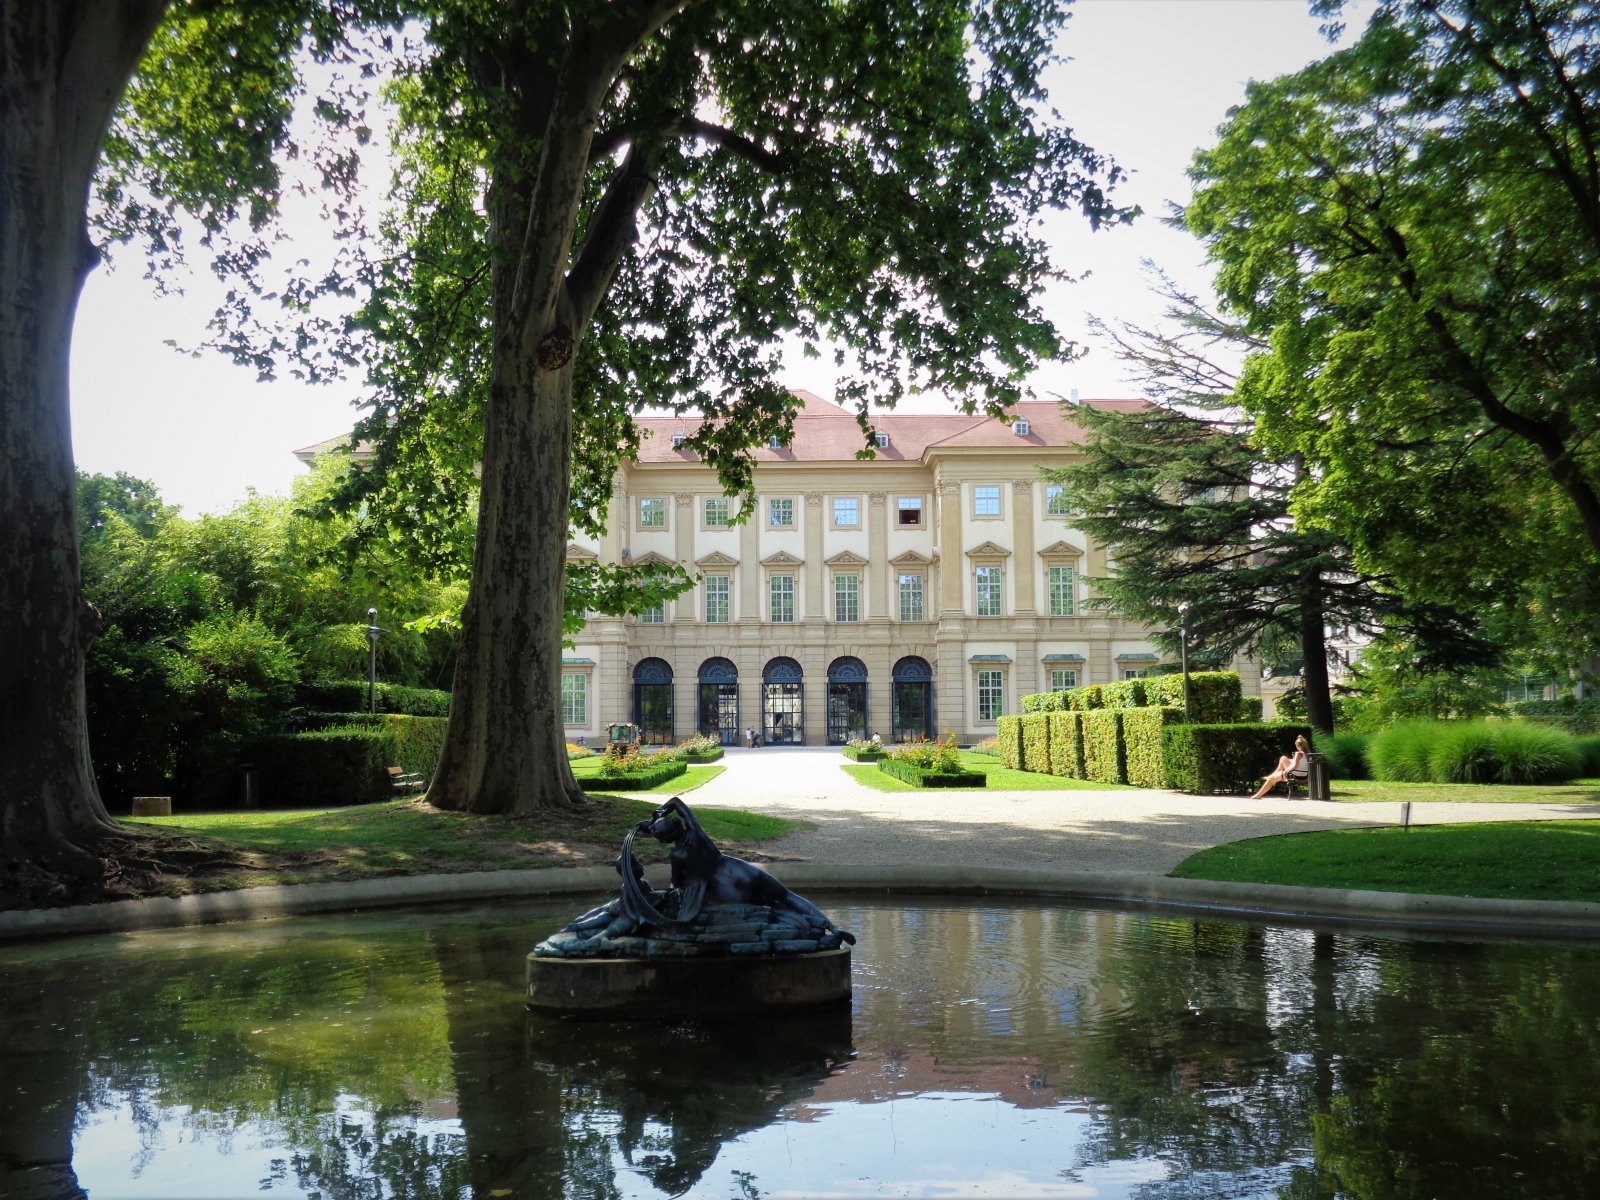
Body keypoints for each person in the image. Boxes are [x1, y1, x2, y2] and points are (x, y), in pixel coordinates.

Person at [1252, 735, 1310, 799]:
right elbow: (1300, 764)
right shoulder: (1307, 754)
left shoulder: (1298, 753)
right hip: (1303, 776)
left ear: (1297, 745)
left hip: (1295, 775)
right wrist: (1293, 759)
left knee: (1270, 780)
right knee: (1283, 758)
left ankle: (1258, 795)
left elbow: (1295, 766)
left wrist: (1286, 771)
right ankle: (1271, 776)